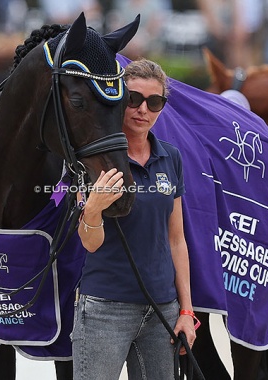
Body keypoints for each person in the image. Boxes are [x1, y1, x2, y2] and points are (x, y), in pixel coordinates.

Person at [71, 58, 197, 379]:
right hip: (104, 309)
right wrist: (94, 208)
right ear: (118, 100)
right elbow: (90, 242)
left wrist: (185, 310)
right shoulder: (93, 159)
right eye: (134, 99)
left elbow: (176, 239)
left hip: (162, 312)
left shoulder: (171, 157)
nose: (143, 109)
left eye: (154, 102)